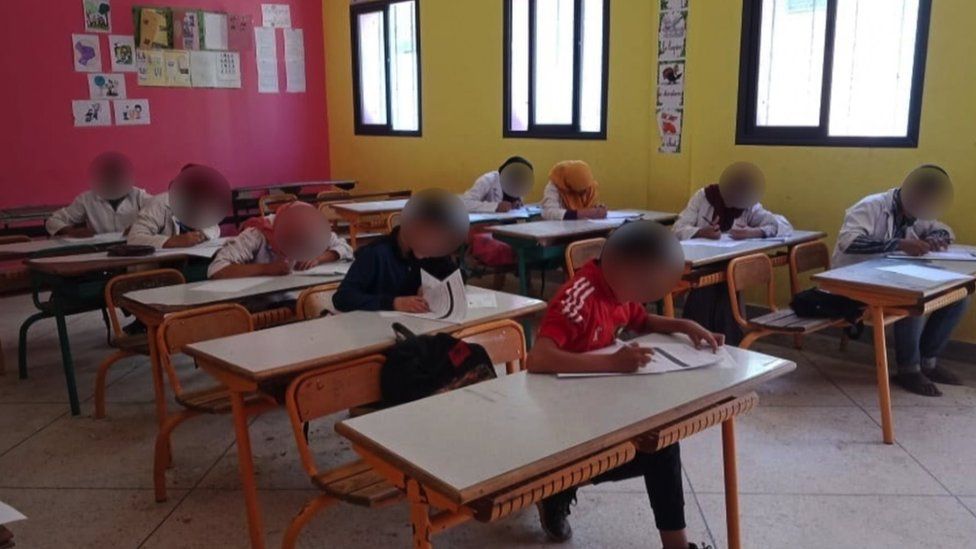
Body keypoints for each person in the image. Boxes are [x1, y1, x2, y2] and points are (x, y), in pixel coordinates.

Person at [528, 220, 720, 549]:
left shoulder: (620, 287)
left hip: (598, 400)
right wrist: (612, 363)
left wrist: (685, 325)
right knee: (661, 449)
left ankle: (675, 545)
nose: (646, 293)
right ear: (622, 267)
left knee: (661, 441)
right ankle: (556, 487)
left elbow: (640, 320)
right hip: (562, 420)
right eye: (644, 283)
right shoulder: (580, 296)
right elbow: (538, 359)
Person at [833, 164, 966, 397]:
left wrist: (936, 237)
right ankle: (909, 369)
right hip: (852, 278)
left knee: (958, 298)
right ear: (909, 190)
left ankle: (927, 362)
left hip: (887, 275)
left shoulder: (917, 213)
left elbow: (944, 230)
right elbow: (849, 242)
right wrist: (901, 244)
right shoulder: (872, 206)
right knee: (912, 298)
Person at [673, 162, 793, 345]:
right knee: (711, 282)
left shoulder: (748, 203)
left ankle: (726, 337)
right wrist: (701, 231)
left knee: (726, 279)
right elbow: (677, 229)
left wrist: (754, 232)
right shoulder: (704, 197)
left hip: (728, 261)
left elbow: (783, 225)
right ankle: (699, 332)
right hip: (700, 261)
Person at [333, 188, 469, 312]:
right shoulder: (375, 253)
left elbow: (458, 276)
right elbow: (343, 298)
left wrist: (436, 287)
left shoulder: (433, 251)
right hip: (378, 328)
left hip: (421, 325)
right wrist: (394, 303)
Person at [207, 201, 353, 279]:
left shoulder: (310, 228)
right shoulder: (256, 233)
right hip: (263, 299)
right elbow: (216, 270)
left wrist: (319, 258)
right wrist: (267, 268)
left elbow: (346, 248)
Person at [46, 152, 152, 237]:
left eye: (117, 175)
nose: (113, 180)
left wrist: (141, 227)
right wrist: (72, 231)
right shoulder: (86, 199)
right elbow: (53, 220)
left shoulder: (139, 195)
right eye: (108, 176)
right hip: (99, 251)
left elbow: (162, 210)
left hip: (134, 248)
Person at [127, 164, 229, 249]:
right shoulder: (160, 203)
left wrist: (201, 235)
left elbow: (215, 228)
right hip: (159, 267)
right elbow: (134, 238)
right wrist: (170, 241)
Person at [461, 156, 534, 213]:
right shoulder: (488, 179)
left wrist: (514, 205)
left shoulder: (520, 186)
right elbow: (465, 203)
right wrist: (495, 207)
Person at [540, 160, 608, 220]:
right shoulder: (554, 187)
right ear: (570, 185)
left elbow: (589, 206)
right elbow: (548, 213)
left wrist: (596, 209)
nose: (584, 193)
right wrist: (583, 213)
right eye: (581, 190)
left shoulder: (590, 186)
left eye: (586, 189)